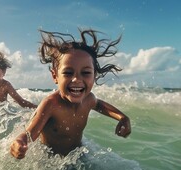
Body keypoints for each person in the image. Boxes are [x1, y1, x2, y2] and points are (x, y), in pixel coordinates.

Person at [10, 29, 131, 159]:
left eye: (85, 73)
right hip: (51, 162)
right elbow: (30, 133)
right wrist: (20, 142)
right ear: (55, 76)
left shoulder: (89, 99)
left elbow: (100, 105)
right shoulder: (51, 104)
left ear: (94, 76)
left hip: (77, 157)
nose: (77, 80)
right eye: (68, 73)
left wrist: (123, 118)